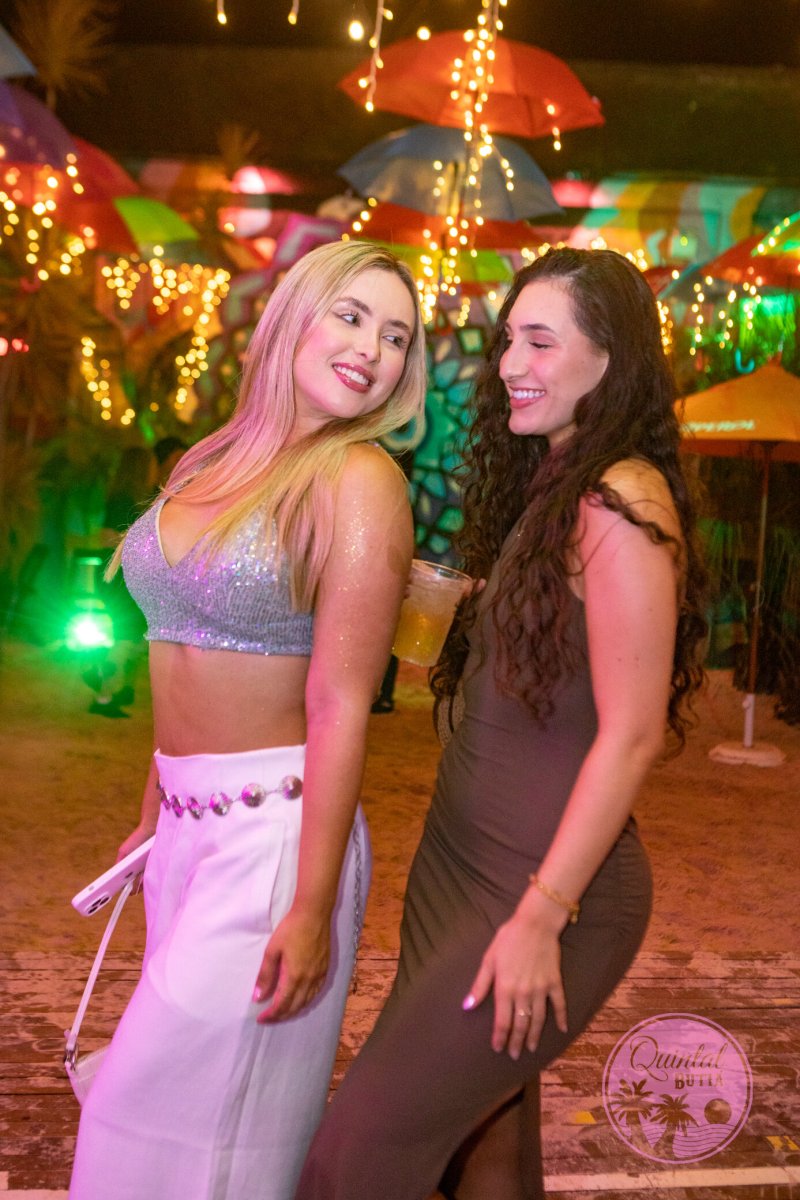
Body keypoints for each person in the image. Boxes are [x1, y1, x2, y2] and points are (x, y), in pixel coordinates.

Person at [295, 247, 708, 1200]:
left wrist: (541, 916)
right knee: (484, 1148)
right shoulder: (556, 485)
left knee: (355, 1156)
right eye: (508, 340)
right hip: (459, 867)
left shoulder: (620, 497)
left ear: (609, 360)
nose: (511, 364)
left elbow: (633, 734)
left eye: (540, 342)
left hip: (545, 890)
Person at [69, 240, 427, 1200]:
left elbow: (341, 703)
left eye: (397, 337)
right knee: (178, 1132)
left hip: (275, 840)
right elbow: (177, 646)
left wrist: (311, 907)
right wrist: (155, 808)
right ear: (294, 317)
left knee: (144, 1117)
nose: (373, 349)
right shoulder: (210, 459)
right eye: (351, 315)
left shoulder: (360, 480)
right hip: (185, 834)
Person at [84, 446, 157, 717]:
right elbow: (106, 537)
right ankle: (102, 691)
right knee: (128, 635)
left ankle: (108, 686)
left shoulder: (127, 498)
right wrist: (140, 543)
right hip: (119, 578)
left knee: (130, 636)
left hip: (121, 577)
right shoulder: (123, 500)